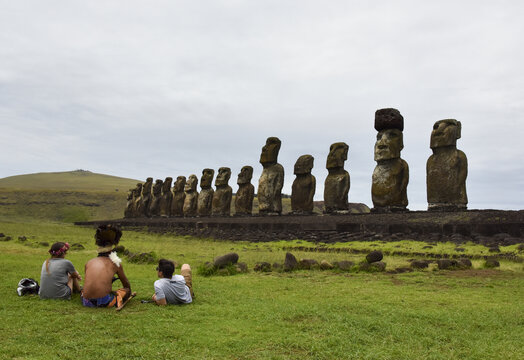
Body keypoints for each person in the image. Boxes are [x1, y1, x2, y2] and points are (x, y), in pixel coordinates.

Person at [81, 225, 131, 308]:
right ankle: (115, 299)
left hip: (86, 302)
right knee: (126, 290)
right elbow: (126, 283)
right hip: (104, 302)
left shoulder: (89, 262)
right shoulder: (116, 264)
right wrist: (128, 292)